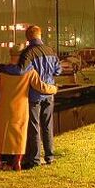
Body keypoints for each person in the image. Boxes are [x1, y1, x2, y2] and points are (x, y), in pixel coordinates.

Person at [0, 46, 58, 170]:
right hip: (20, 107)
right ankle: (17, 162)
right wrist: (54, 88)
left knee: (1, 132)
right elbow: (41, 87)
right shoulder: (29, 71)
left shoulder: (2, 72)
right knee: (20, 134)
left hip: (3, 106)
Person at [18, 25, 62, 168]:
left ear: (28, 37)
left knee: (34, 127)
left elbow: (22, 72)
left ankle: (35, 159)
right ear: (40, 35)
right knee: (48, 125)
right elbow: (58, 70)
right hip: (49, 92)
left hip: (34, 95)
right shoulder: (51, 51)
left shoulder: (27, 53)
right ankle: (50, 156)